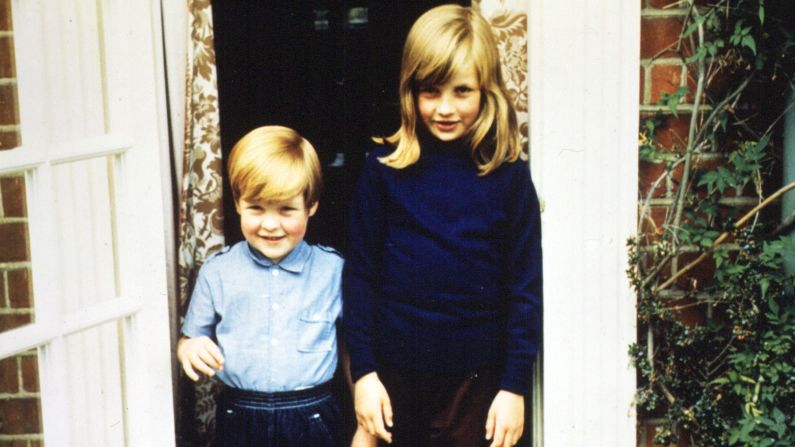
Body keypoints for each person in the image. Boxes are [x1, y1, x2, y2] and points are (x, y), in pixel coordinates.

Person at [344, 4, 543, 447]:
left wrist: (513, 387)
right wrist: (365, 374)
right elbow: (360, 278)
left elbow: (524, 291)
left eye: (462, 91)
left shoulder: (508, 178)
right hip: (396, 378)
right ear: (409, 91)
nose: (446, 108)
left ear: (486, 91)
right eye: (430, 91)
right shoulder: (382, 171)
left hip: (477, 383)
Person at [178, 126, 352, 447]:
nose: (270, 224)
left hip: (313, 417)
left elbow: (351, 349)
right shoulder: (218, 272)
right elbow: (192, 337)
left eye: (286, 209)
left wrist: (363, 419)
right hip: (239, 415)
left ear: (311, 205)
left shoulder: (333, 270)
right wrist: (190, 347)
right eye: (257, 207)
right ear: (238, 203)